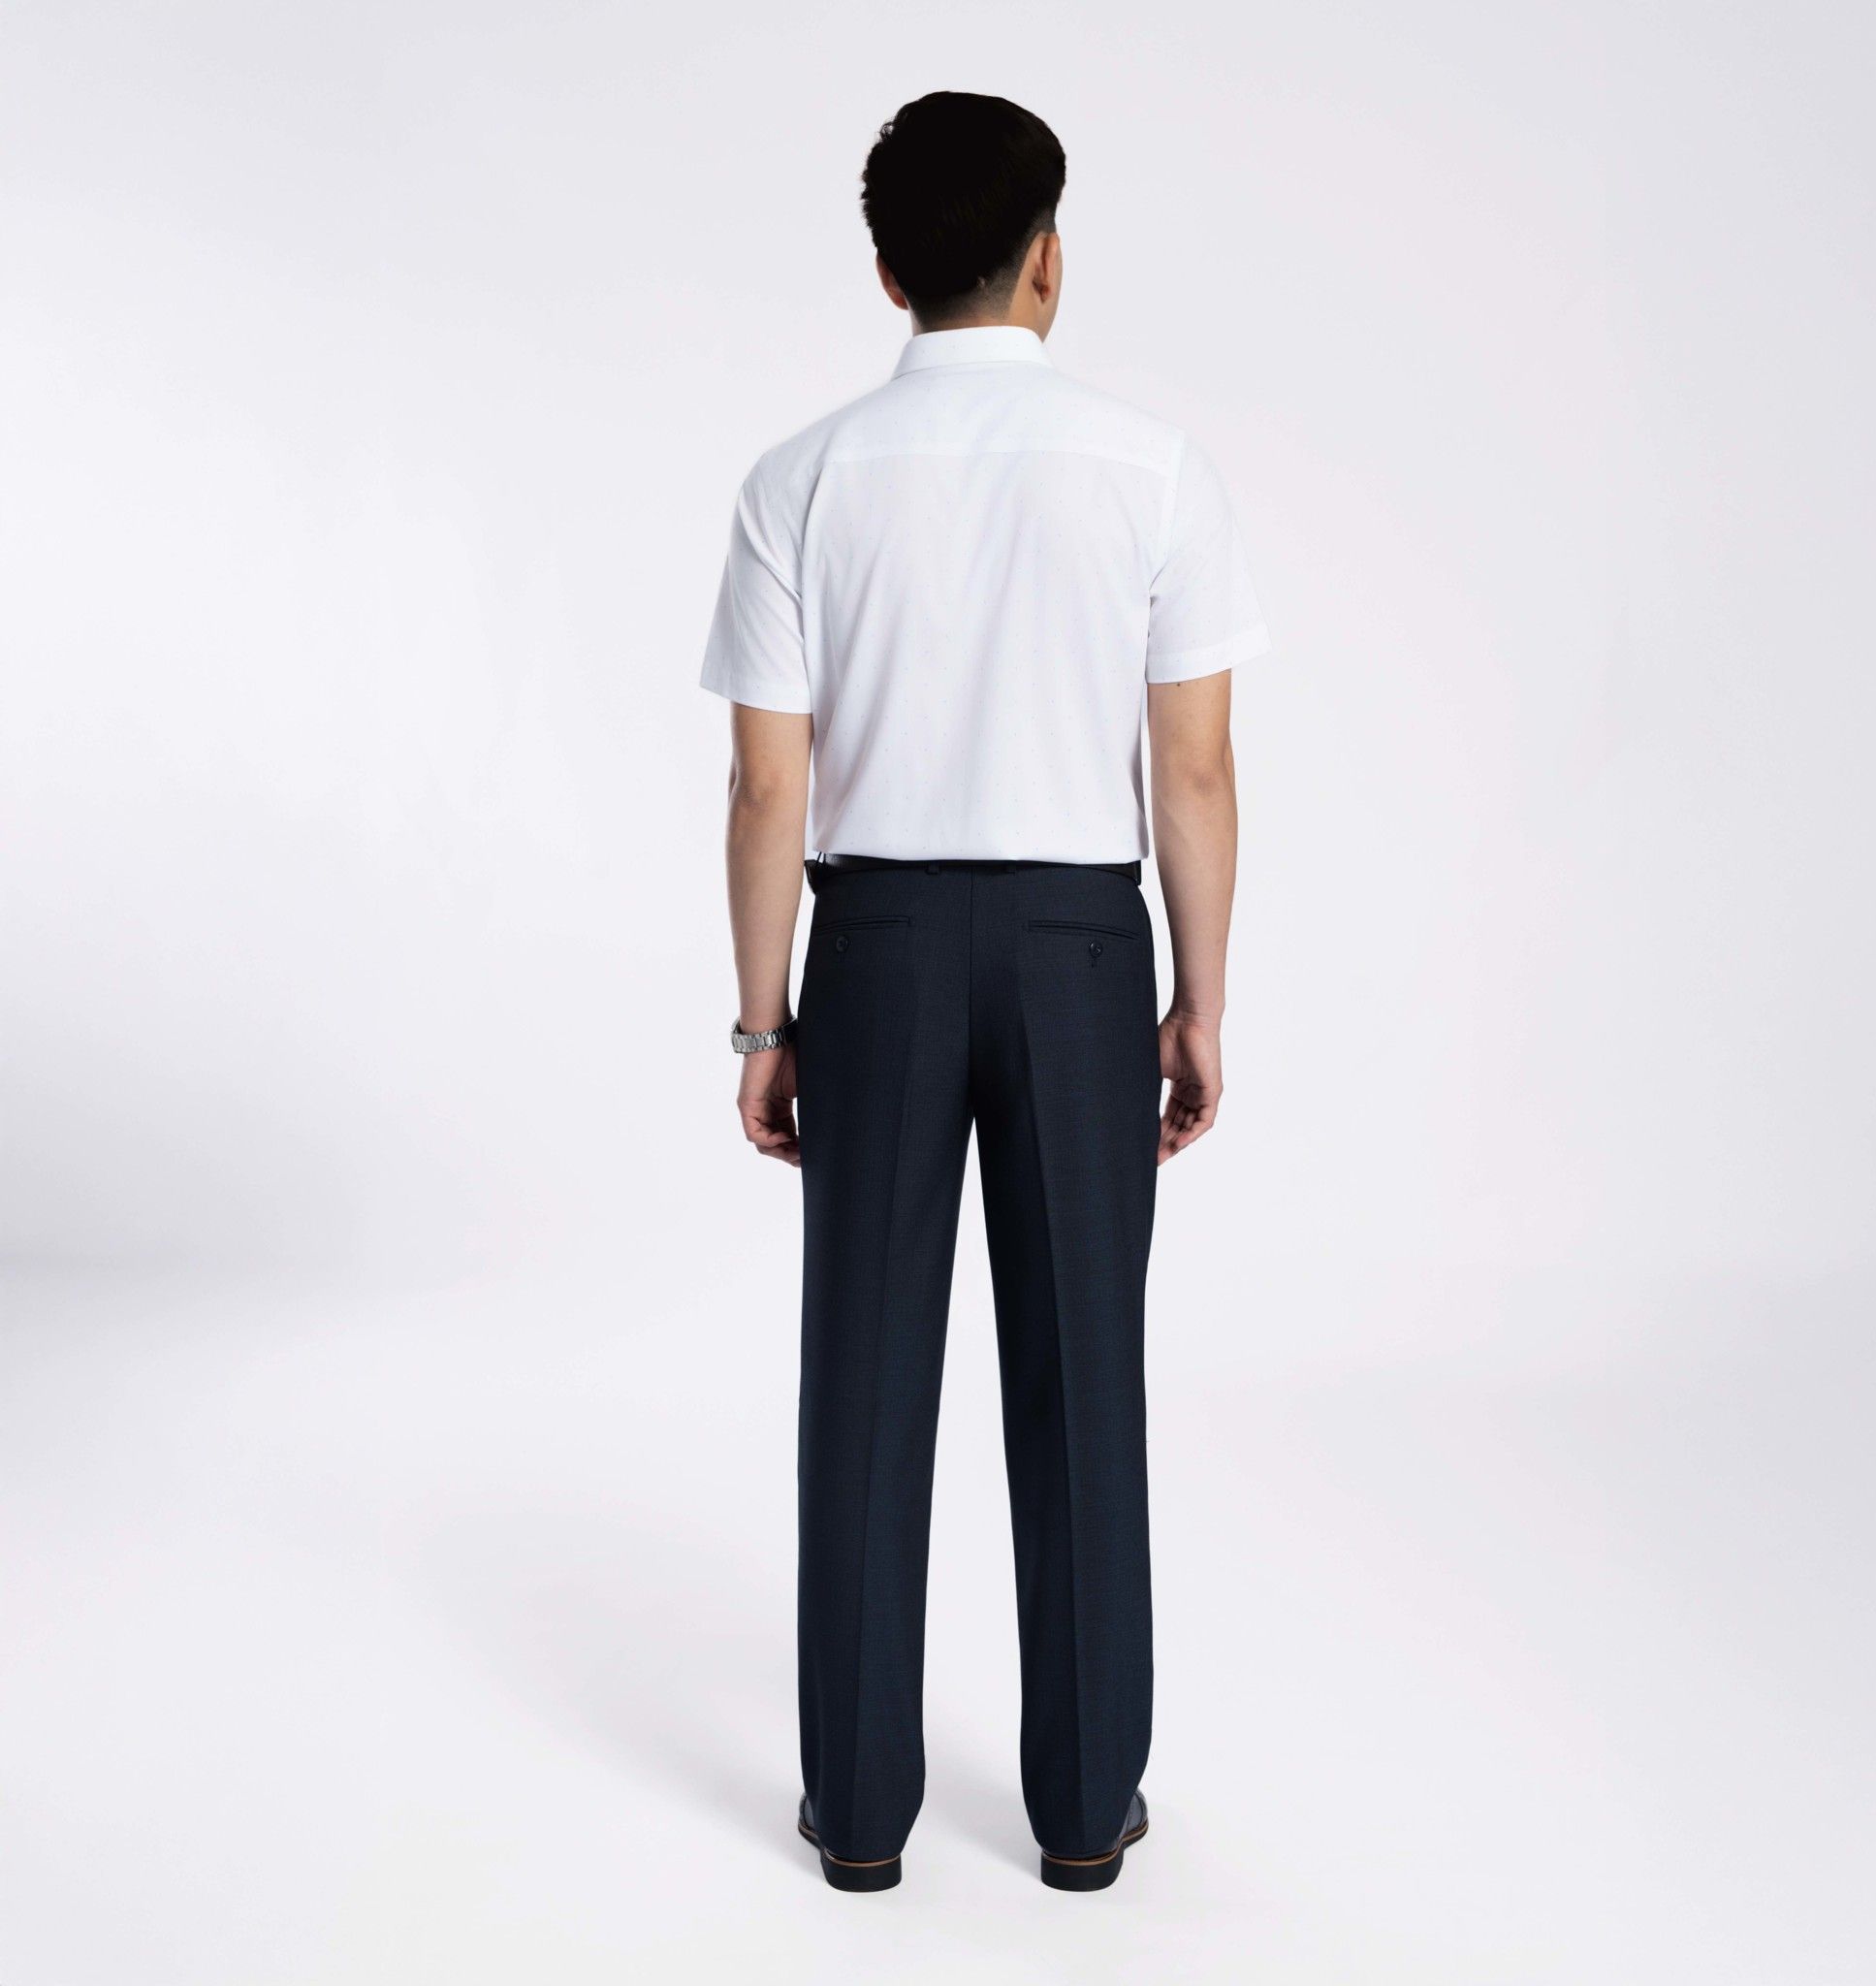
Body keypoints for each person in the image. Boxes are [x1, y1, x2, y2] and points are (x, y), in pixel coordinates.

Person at [700, 90, 1266, 1894]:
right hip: (1084, 952)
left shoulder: (799, 480)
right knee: (1084, 1375)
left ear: (888, 273)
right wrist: (1197, 998)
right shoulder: (1151, 469)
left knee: (864, 1376)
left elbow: (768, 788)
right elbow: (1192, 769)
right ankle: (1086, 1812)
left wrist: (767, 1022)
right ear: (1048, 259)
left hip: (872, 950)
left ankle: (860, 1818)